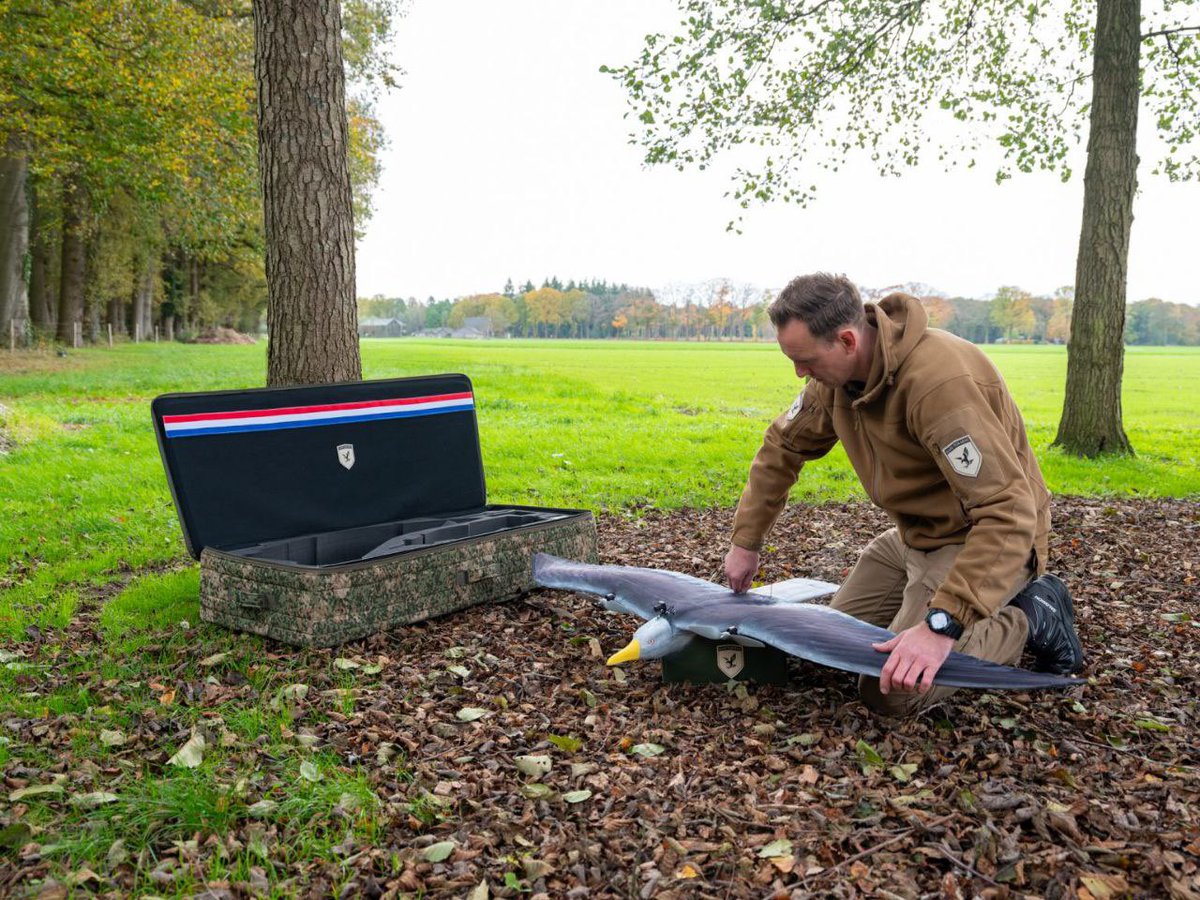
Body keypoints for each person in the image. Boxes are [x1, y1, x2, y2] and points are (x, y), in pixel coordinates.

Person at [724, 273, 1084, 716]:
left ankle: (1032, 616)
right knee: (824, 649)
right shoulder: (833, 380)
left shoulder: (938, 385)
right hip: (913, 538)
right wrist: (747, 541)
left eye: (806, 360)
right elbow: (782, 447)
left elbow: (1008, 512)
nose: (800, 373)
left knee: (892, 692)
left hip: (982, 539)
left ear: (848, 340)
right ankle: (948, 607)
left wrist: (942, 624)